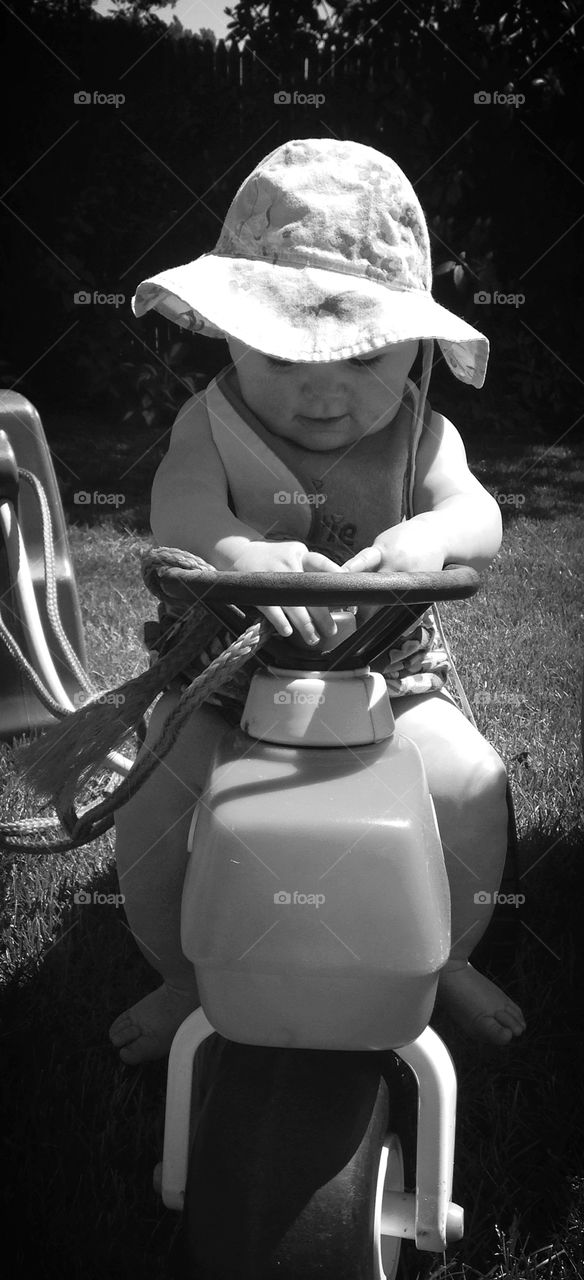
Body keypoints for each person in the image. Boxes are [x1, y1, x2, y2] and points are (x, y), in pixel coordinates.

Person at [110, 138, 526, 1065]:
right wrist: (241, 552)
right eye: (284, 351)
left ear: (415, 343)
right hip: (225, 674)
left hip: (390, 681)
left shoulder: (424, 434)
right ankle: (183, 971)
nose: (324, 390)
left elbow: (478, 513)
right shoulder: (208, 422)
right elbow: (180, 506)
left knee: (465, 782)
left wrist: (430, 534)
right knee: (155, 799)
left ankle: (440, 955)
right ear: (226, 332)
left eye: (362, 353)